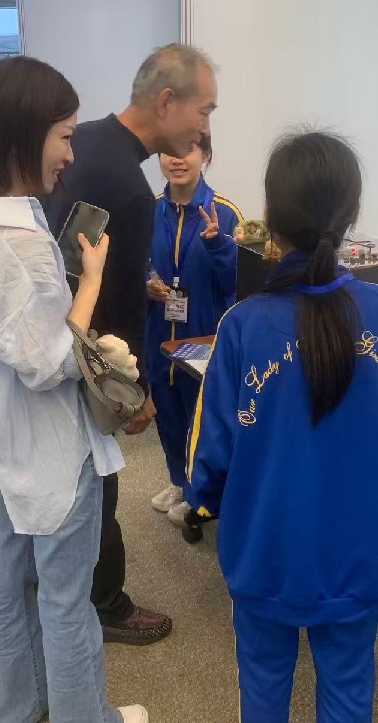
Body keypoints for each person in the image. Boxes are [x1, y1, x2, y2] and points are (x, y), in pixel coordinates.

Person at [0, 56, 148, 723]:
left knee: (4, 585)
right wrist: (91, 281)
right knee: (64, 598)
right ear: (28, 133)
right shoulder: (14, 242)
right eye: (64, 136)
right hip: (48, 454)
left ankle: (20, 710)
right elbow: (50, 361)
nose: (70, 154)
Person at [185, 131, 378, 722]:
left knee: (263, 687)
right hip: (360, 550)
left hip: (264, 551)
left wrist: (209, 504)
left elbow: (210, 461)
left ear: (268, 217)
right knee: (348, 686)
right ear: (352, 214)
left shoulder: (243, 326)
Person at [46, 43, 217, 646]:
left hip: (53, 333)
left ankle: (79, 593)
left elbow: (79, 256)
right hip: (85, 353)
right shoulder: (129, 189)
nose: (204, 128)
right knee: (100, 481)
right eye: (204, 111)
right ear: (166, 101)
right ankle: (107, 606)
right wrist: (136, 392)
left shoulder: (87, 140)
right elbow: (117, 309)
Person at [144, 134, 243, 525]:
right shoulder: (149, 210)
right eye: (168, 151)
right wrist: (145, 284)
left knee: (199, 421)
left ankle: (199, 492)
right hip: (159, 335)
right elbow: (135, 262)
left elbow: (237, 283)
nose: (177, 159)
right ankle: (178, 482)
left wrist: (219, 247)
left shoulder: (225, 214)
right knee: (167, 416)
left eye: (188, 150)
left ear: (206, 155)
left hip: (203, 336)